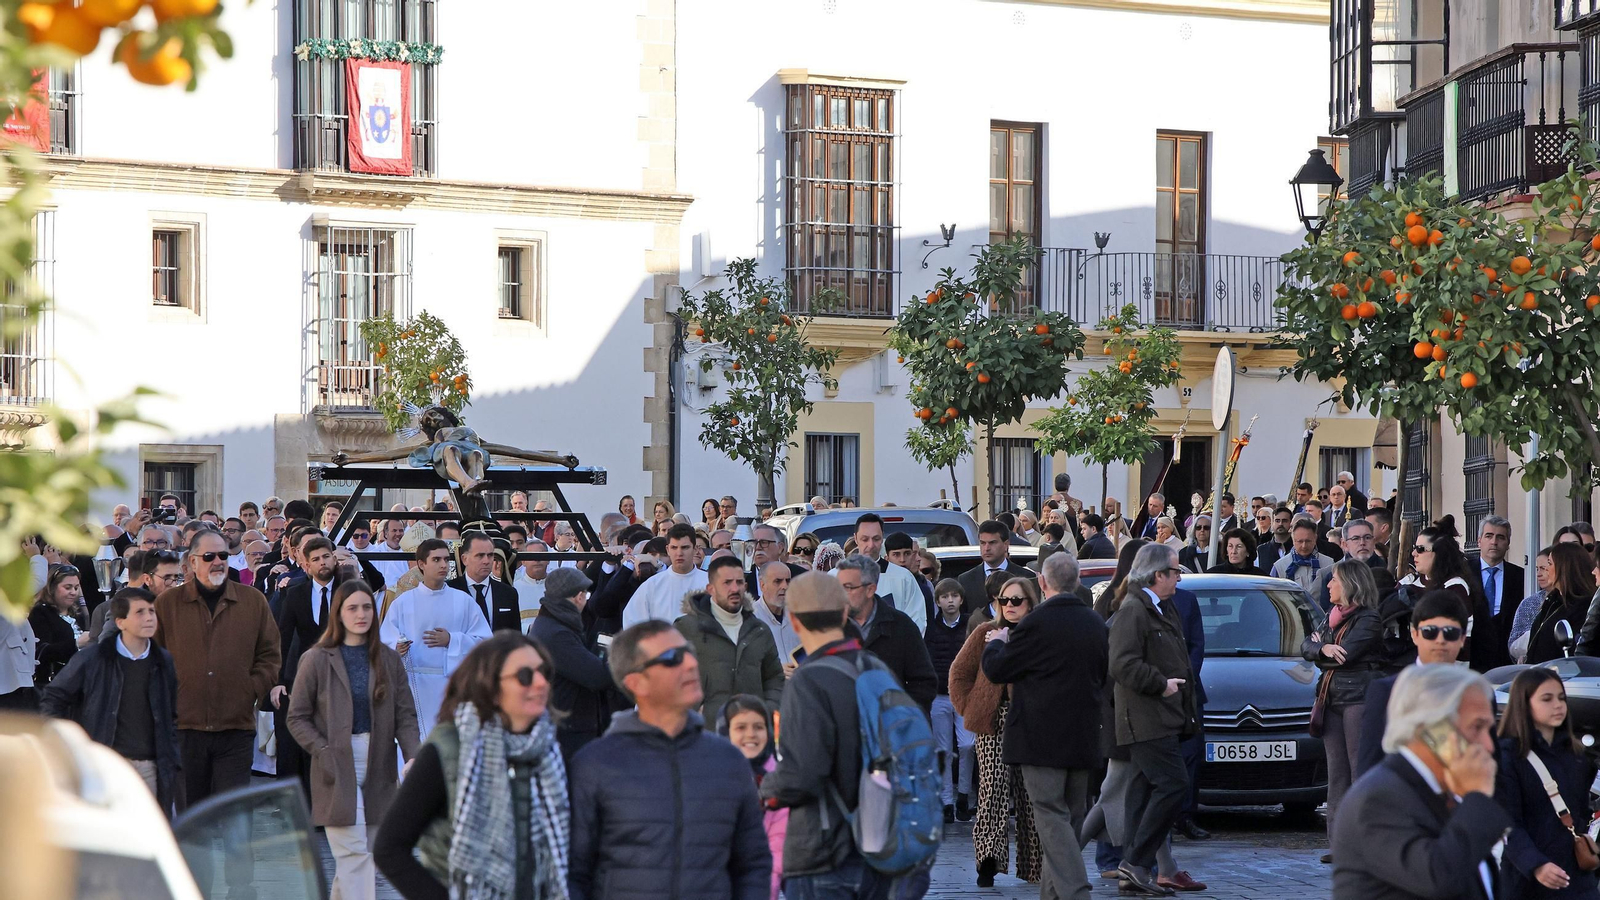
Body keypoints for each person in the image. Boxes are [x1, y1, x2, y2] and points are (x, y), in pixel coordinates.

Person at [568, 620, 771, 900]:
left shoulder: (728, 761)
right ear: (636, 682)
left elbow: (754, 863)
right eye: (672, 658)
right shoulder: (595, 766)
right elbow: (574, 873)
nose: (690, 664)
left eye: (688, 652)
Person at [374, 632, 569, 900]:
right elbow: (389, 848)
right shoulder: (449, 747)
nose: (540, 683)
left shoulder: (547, 749)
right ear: (490, 685)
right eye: (525, 676)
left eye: (543, 672)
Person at [153, 529, 281, 895]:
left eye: (223, 555)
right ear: (191, 562)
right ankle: (197, 888)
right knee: (194, 819)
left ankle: (242, 890)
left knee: (236, 818)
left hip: (235, 729)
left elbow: (270, 654)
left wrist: (250, 688)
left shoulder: (253, 602)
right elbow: (155, 659)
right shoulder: (169, 605)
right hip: (186, 728)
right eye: (208, 557)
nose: (218, 562)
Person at [761, 573, 899, 899]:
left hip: (825, 850)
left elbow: (803, 776)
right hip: (882, 844)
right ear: (843, 614)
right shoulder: (878, 669)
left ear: (794, 622)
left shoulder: (807, 681)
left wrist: (765, 788)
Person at [982, 554, 1107, 900]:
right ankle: (1052, 895)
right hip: (1083, 736)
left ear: (1041, 582)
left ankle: (1076, 891)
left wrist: (995, 645)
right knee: (1070, 819)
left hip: (1041, 739)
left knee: (1052, 819)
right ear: (1078, 581)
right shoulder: (1095, 623)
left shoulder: (1037, 624)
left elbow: (998, 669)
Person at [1331, 663, 1509, 899]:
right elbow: (1439, 878)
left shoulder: (1449, 792)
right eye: (1477, 727)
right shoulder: (1379, 798)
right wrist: (1477, 798)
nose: (1488, 745)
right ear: (1433, 731)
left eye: (1490, 728)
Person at [288, 581, 419, 900]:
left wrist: (413, 754)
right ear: (339, 614)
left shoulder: (387, 659)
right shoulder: (317, 658)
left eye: (366, 607)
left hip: (379, 764)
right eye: (352, 608)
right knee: (354, 858)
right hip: (336, 764)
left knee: (365, 860)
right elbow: (297, 716)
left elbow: (405, 714)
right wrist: (322, 749)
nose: (361, 614)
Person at [39, 587, 180, 813]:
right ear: (121, 622)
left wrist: (171, 754)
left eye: (152, 612)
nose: (149, 618)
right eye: (140, 612)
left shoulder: (163, 660)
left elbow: (170, 712)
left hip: (150, 766)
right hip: (105, 766)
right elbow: (54, 697)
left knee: (145, 838)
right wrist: (66, 743)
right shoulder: (93, 658)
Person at [1107, 542, 1197, 895]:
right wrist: (1160, 684)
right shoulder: (1134, 610)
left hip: (1164, 715)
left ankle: (1134, 869)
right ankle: (1136, 863)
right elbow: (1122, 664)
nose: (1178, 578)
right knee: (1174, 784)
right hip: (1146, 718)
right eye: (1174, 572)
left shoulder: (1162, 607)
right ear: (1158, 574)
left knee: (1141, 792)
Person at [949, 576, 1042, 886]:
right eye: (1005, 600)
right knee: (992, 788)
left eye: (1017, 600)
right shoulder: (985, 632)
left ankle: (1034, 865)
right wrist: (971, 707)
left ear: (1031, 602)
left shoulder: (1039, 634)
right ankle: (987, 860)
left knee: (1031, 793)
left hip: (1029, 721)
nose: (1010, 606)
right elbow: (959, 674)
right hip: (993, 720)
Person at [1495, 667, 1600, 900]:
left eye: (1561, 698)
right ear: (1524, 703)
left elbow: (1582, 811)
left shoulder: (1577, 755)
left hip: (1576, 876)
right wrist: (1536, 864)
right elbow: (1507, 823)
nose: (1558, 705)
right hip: (1527, 881)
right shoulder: (1508, 756)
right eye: (1547, 699)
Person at [1302, 559, 1384, 852]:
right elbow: (1305, 646)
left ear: (1350, 584)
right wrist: (1321, 647)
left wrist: (1320, 650)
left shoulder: (1369, 619)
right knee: (1336, 773)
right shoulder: (1331, 615)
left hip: (1358, 698)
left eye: (1333, 580)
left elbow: (1346, 656)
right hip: (1331, 698)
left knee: (1358, 769)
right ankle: (1337, 844)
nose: (1328, 585)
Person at [377, 538, 494, 740]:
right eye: (436, 559)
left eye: (446, 560)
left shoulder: (463, 600)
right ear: (421, 564)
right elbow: (382, 642)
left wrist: (452, 640)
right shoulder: (403, 602)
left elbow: (485, 642)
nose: (443, 565)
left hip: (452, 686)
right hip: (414, 686)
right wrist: (396, 647)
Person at [1355, 591, 1471, 777]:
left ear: (1462, 639)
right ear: (1415, 635)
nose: (1440, 640)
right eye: (1430, 632)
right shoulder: (1386, 692)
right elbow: (1369, 769)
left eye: (1450, 633)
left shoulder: (1477, 695)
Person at [676, 555, 785, 717]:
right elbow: (670, 678)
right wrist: (693, 713)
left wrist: (766, 711)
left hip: (751, 732)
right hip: (705, 733)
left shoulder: (759, 630)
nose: (734, 589)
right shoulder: (687, 628)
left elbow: (774, 679)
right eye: (727, 583)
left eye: (739, 582)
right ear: (711, 589)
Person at [835, 555, 937, 711]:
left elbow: (924, 683)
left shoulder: (902, 626)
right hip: (846, 730)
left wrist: (903, 716)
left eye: (848, 588)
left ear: (870, 590)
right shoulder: (831, 628)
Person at [1406, 521, 1507, 671]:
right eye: (1414, 548)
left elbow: (1460, 637)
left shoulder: (1455, 588)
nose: (1414, 553)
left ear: (1438, 553)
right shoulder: (1409, 582)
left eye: (1420, 549)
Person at [716, 695, 788, 900]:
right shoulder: (711, 777)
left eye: (758, 727)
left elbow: (778, 843)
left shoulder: (778, 779)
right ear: (725, 732)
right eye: (740, 728)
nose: (751, 734)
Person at [924, 578, 974, 823]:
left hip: (964, 695)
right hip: (939, 695)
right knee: (943, 750)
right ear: (938, 602)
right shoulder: (930, 628)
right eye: (945, 597)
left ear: (961, 599)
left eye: (954, 596)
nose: (950, 601)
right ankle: (946, 801)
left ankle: (963, 794)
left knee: (966, 745)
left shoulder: (969, 626)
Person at [621, 523, 710, 629]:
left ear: (695, 549)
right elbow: (632, 622)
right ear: (668, 550)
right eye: (674, 547)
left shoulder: (709, 582)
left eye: (685, 547)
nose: (679, 553)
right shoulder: (652, 585)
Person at [851, 514, 927, 633]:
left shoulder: (904, 578)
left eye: (876, 539)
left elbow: (917, 621)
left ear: (882, 538)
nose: (870, 545)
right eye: (865, 539)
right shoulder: (836, 577)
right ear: (855, 538)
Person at [1527, 543, 1597, 663]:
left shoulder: (1583, 606)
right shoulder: (1552, 602)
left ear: (1564, 567)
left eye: (1549, 563)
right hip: (1539, 674)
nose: (1546, 569)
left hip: (1563, 676)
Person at [956, 519, 1035, 614]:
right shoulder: (965, 580)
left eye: (992, 543)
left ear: (1006, 544)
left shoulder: (1027, 577)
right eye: (983, 543)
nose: (987, 548)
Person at [29, 563, 89, 688]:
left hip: (78, 683)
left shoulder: (77, 614)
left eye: (76, 588)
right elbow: (41, 652)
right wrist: (76, 643)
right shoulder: (40, 613)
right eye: (68, 587)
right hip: (52, 685)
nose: (73, 592)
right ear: (52, 588)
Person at [448, 532, 521, 633]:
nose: (486, 561)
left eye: (490, 555)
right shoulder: (449, 590)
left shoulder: (508, 593)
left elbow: (515, 635)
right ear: (465, 559)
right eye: (480, 555)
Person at [751, 560, 802, 669]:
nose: (784, 586)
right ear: (762, 585)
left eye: (788, 581)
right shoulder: (751, 618)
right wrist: (776, 671)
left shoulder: (799, 613)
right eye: (777, 581)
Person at [1270, 516, 1335, 595]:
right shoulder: (1279, 567)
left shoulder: (1329, 564)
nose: (1304, 546)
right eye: (1300, 541)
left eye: (1308, 541)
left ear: (1315, 539)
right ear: (1293, 540)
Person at [1515, 549, 1557, 661]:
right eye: (1537, 569)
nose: (1538, 574)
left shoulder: (1570, 602)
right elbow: (1513, 642)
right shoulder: (1529, 603)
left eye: (1543, 568)